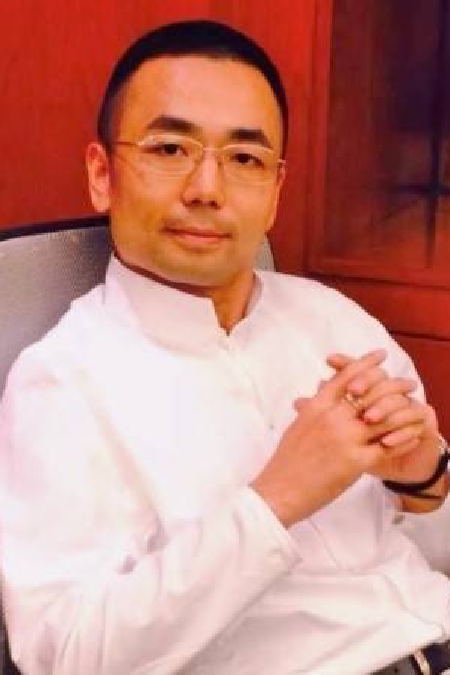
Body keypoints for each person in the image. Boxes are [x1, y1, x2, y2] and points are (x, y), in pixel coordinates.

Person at [0, 19, 449, 675]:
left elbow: (433, 554)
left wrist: (425, 479)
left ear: (275, 193)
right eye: (170, 148)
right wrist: (274, 501)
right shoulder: (62, 380)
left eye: (244, 159)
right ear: (102, 174)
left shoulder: (332, 318)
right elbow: (64, 655)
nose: (206, 189)